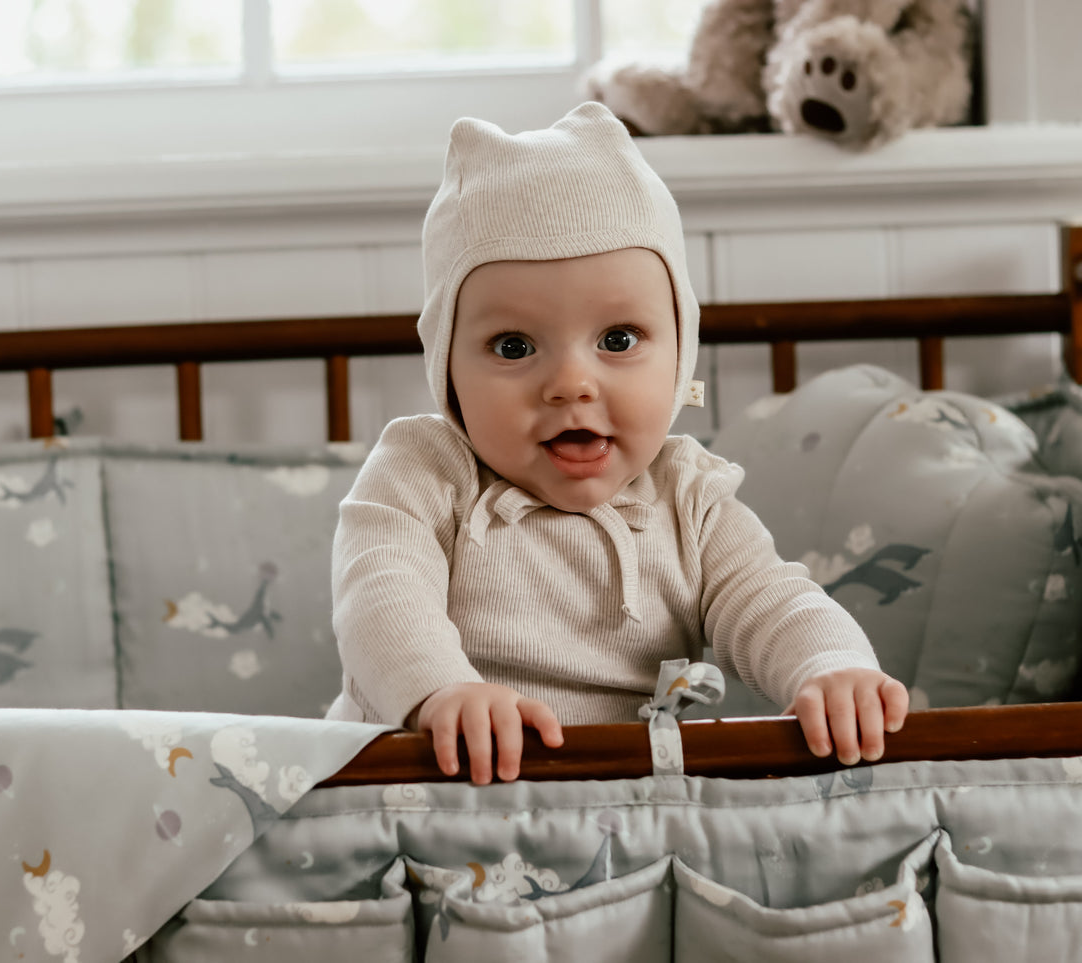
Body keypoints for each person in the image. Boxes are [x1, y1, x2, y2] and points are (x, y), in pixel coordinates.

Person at [325, 101, 908, 785]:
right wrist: (441, 692)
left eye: (617, 340)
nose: (571, 383)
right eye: (513, 347)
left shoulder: (686, 499)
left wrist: (832, 667)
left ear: (679, 356)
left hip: (608, 818)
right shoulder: (424, 471)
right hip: (413, 789)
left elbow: (772, 599)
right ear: (446, 369)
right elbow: (379, 589)